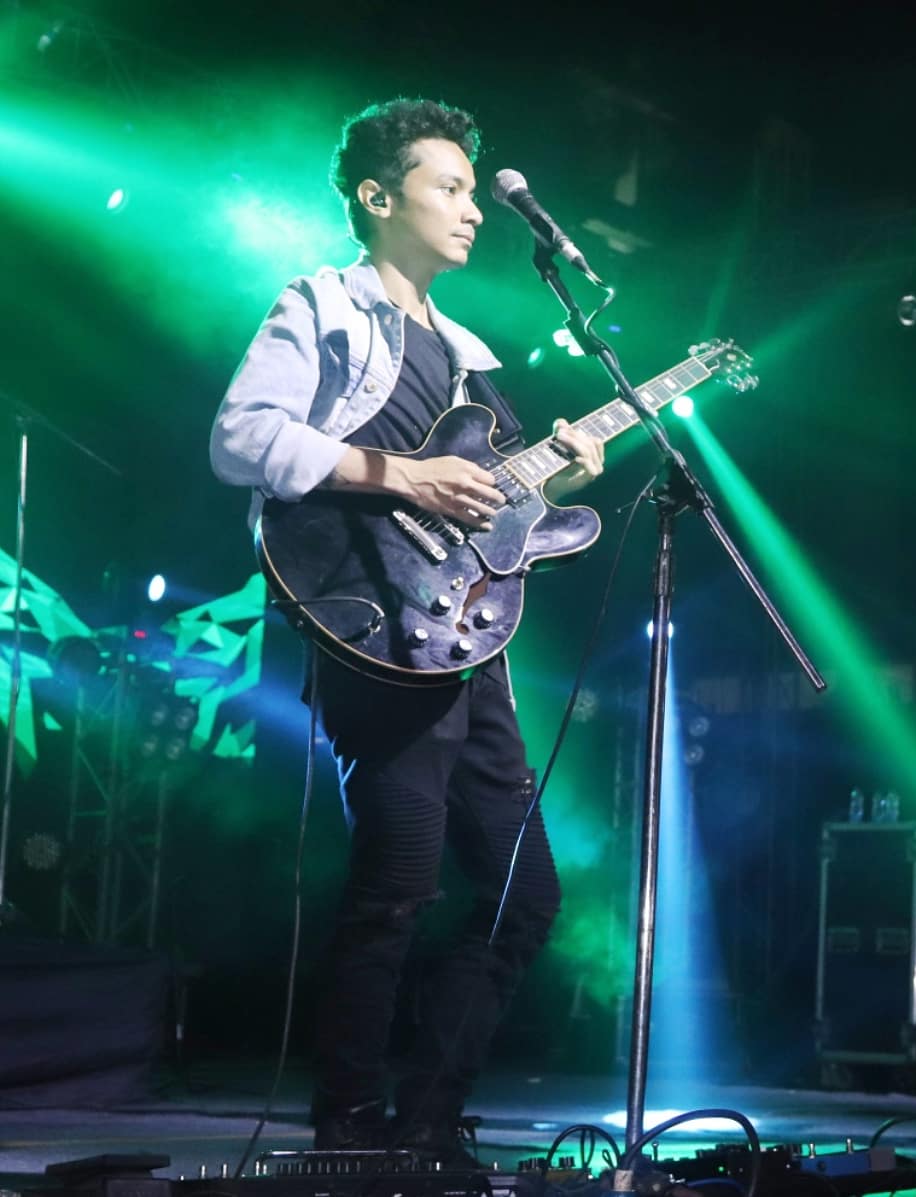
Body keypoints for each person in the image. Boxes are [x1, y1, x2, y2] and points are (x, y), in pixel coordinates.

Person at [209, 97, 605, 1161]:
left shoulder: (471, 357)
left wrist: (564, 474)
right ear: (378, 198)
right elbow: (241, 438)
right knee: (396, 891)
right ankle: (347, 1129)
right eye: (451, 187)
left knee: (525, 895)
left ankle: (425, 1123)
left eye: (475, 191)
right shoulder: (322, 306)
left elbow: (498, 510)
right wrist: (401, 473)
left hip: (468, 644)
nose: (472, 209)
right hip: (371, 626)